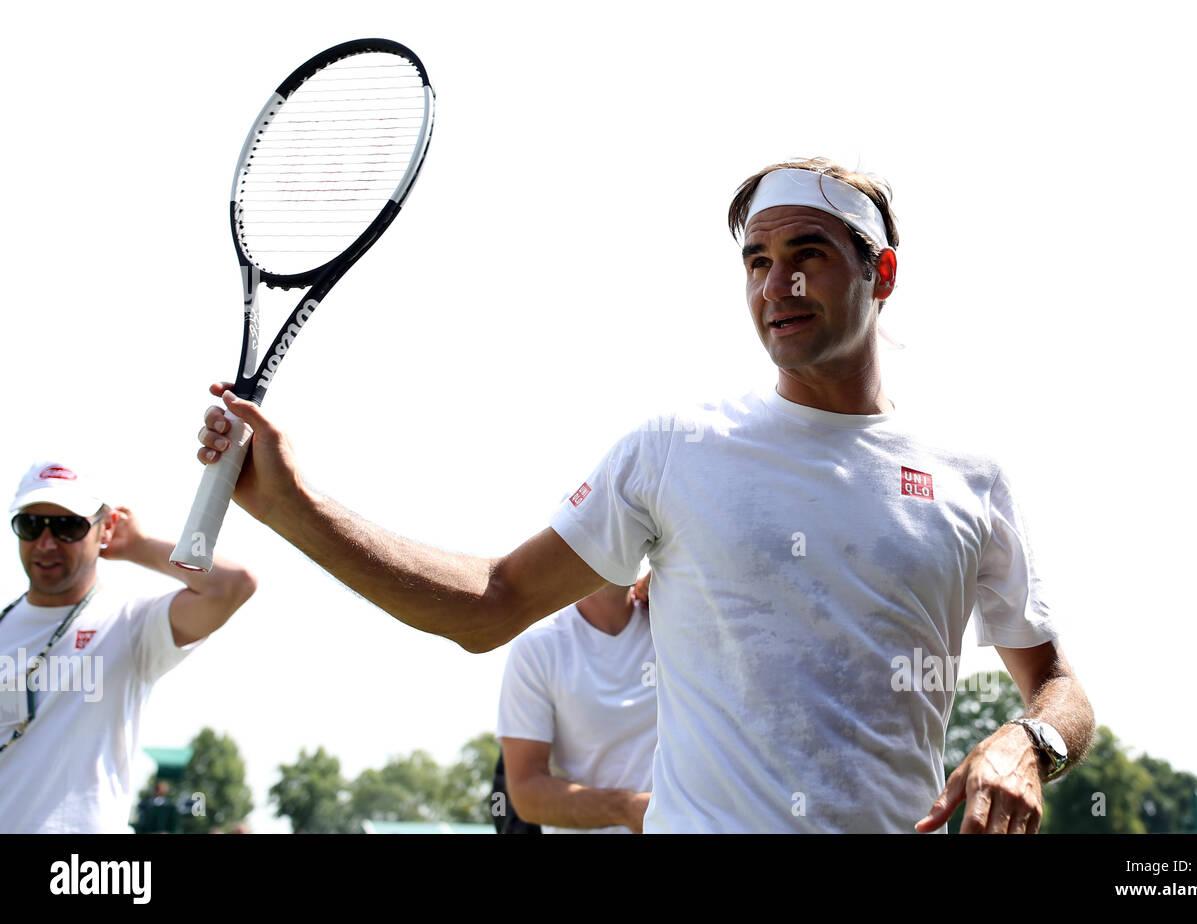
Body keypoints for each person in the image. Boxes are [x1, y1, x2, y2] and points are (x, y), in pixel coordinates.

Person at [195, 157, 1094, 833]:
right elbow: (490, 605)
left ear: (881, 275)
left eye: (807, 255)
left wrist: (1029, 742)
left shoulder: (970, 479)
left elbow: (1057, 686)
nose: (775, 284)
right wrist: (290, 507)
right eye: (756, 260)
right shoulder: (675, 449)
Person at [0, 461, 256, 833]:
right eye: (31, 525)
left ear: (106, 528)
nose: (46, 543)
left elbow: (233, 586)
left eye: (68, 526)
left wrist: (137, 546)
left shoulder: (129, 622)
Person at [496, 572, 655, 834]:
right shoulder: (537, 649)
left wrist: (677, 585)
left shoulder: (675, 630)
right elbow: (526, 792)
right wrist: (627, 808)